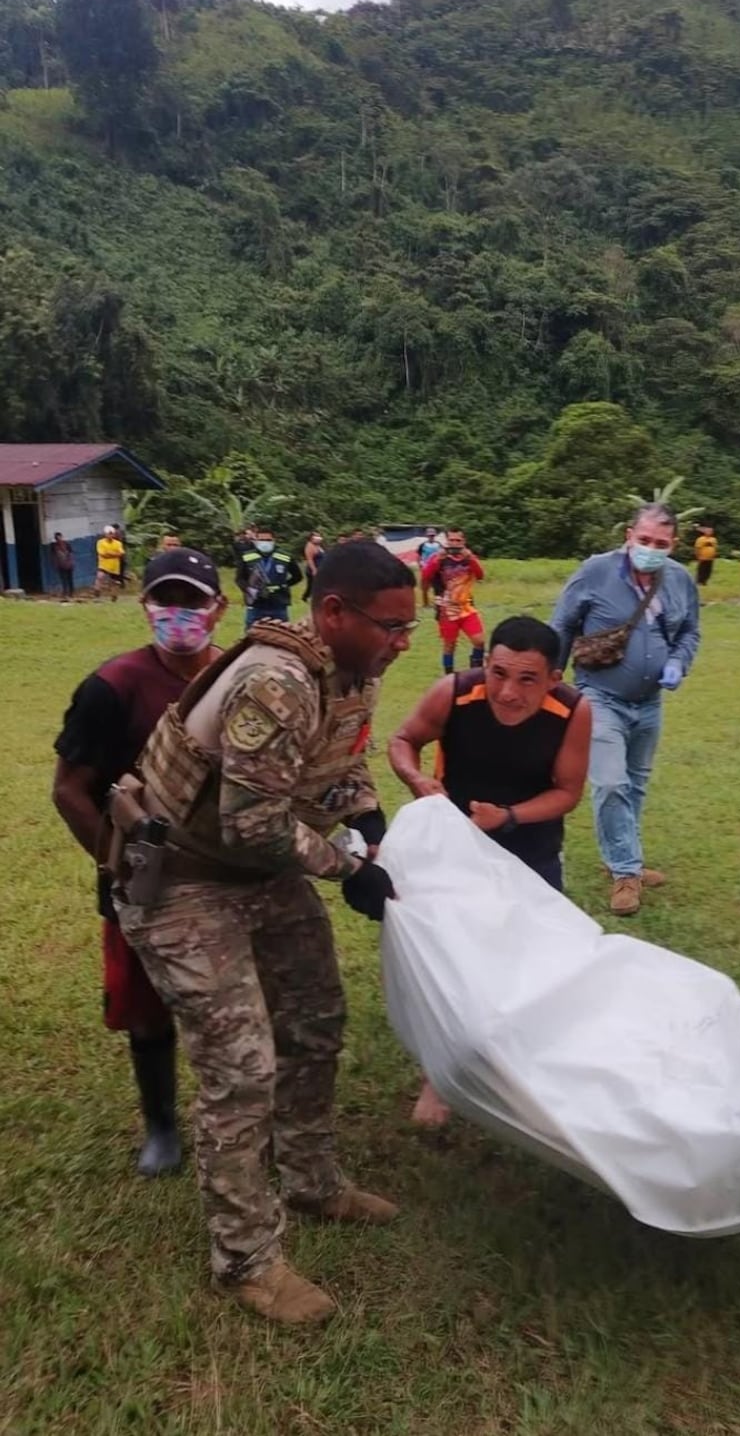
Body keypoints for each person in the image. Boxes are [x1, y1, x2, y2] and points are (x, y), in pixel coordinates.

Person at [113, 541, 418, 1324]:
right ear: (332, 613)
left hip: (259, 870)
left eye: (407, 627)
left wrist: (363, 811)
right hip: (184, 879)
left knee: (315, 1018)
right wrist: (349, 871)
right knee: (241, 1067)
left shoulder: (351, 673)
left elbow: (334, 763)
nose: (402, 640)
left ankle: (312, 1181)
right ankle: (245, 1259)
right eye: (389, 626)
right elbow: (253, 825)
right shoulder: (275, 681)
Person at [52, 548, 227, 1177]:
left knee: (233, 1006)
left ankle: (239, 1122)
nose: (179, 615)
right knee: (147, 1008)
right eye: (166, 601)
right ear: (145, 605)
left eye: (192, 602)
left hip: (226, 874)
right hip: (143, 874)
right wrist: (116, 864)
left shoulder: (242, 681)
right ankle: (161, 1126)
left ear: (220, 608)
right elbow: (69, 788)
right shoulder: (113, 687)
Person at [388, 614, 592, 1126]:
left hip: (531, 847)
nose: (507, 692)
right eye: (498, 673)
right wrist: (417, 780)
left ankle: (527, 1069)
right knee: (454, 965)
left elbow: (568, 792)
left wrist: (509, 818)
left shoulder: (572, 711)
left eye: (527, 679)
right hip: (456, 850)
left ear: (554, 679)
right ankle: (438, 1078)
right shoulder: (454, 693)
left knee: (536, 961)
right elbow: (402, 740)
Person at [551, 502, 700, 917]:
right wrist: (551, 677)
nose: (651, 549)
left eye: (661, 543)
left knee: (634, 784)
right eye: (645, 540)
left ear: (673, 545)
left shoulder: (680, 580)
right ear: (628, 536)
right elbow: (562, 624)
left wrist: (678, 662)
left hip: (649, 701)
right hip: (599, 696)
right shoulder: (595, 571)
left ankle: (621, 856)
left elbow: (690, 631)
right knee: (611, 782)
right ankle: (626, 874)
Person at [422, 529, 485, 674]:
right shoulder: (439, 558)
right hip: (446, 609)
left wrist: (472, 559)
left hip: (467, 607)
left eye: (458, 541)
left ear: (464, 542)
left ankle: (475, 673)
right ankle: (449, 676)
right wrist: (437, 560)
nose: (454, 544)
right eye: (451, 540)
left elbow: (480, 575)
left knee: (479, 641)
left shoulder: (469, 557)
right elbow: (426, 576)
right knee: (449, 645)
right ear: (447, 541)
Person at [236, 528, 302, 630]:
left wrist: (284, 585)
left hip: (278, 603)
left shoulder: (285, 556)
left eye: (268, 540)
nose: (265, 543)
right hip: (256, 604)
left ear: (274, 540)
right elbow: (239, 579)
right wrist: (249, 590)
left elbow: (298, 576)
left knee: (281, 635)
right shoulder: (247, 556)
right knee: (252, 635)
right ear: (256, 541)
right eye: (261, 540)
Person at [95, 525, 124, 601]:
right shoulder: (100, 542)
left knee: (114, 582)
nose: (110, 535)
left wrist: (109, 554)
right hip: (103, 564)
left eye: (112, 534)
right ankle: (97, 591)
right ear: (105, 534)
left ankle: (114, 596)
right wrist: (114, 554)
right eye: (109, 534)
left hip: (114, 566)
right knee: (100, 577)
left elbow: (121, 553)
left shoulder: (118, 543)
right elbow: (102, 554)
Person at [417, 527, 442, 608]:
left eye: (432, 535)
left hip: (436, 568)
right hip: (426, 568)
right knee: (425, 587)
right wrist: (420, 564)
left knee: (437, 586)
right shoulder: (422, 545)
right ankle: (425, 604)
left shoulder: (438, 545)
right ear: (427, 535)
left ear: (435, 535)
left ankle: (437, 603)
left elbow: (442, 555)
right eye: (430, 535)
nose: (431, 537)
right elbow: (419, 556)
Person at [301, 531, 324, 602]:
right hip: (312, 569)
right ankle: (311, 598)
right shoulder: (309, 546)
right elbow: (310, 559)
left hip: (320, 568)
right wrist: (314, 570)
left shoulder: (318, 546)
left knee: (311, 586)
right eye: (316, 536)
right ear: (311, 538)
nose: (318, 538)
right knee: (313, 585)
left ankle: (306, 597)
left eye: (319, 536)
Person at [51, 532, 75, 600]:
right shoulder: (54, 546)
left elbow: (71, 553)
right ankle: (65, 593)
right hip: (61, 565)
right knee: (63, 580)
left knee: (70, 579)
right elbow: (54, 556)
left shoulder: (67, 544)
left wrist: (71, 563)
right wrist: (55, 564)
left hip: (68, 564)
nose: (59, 539)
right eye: (57, 538)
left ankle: (71, 592)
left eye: (60, 537)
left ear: (62, 537)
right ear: (55, 539)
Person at [693, 525, 718, 590]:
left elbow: (715, 548)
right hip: (702, 557)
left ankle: (705, 581)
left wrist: (714, 555)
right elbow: (697, 548)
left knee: (708, 570)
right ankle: (699, 581)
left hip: (710, 558)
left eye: (711, 531)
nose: (710, 532)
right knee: (701, 570)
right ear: (705, 532)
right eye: (708, 531)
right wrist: (698, 556)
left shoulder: (713, 539)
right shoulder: (700, 539)